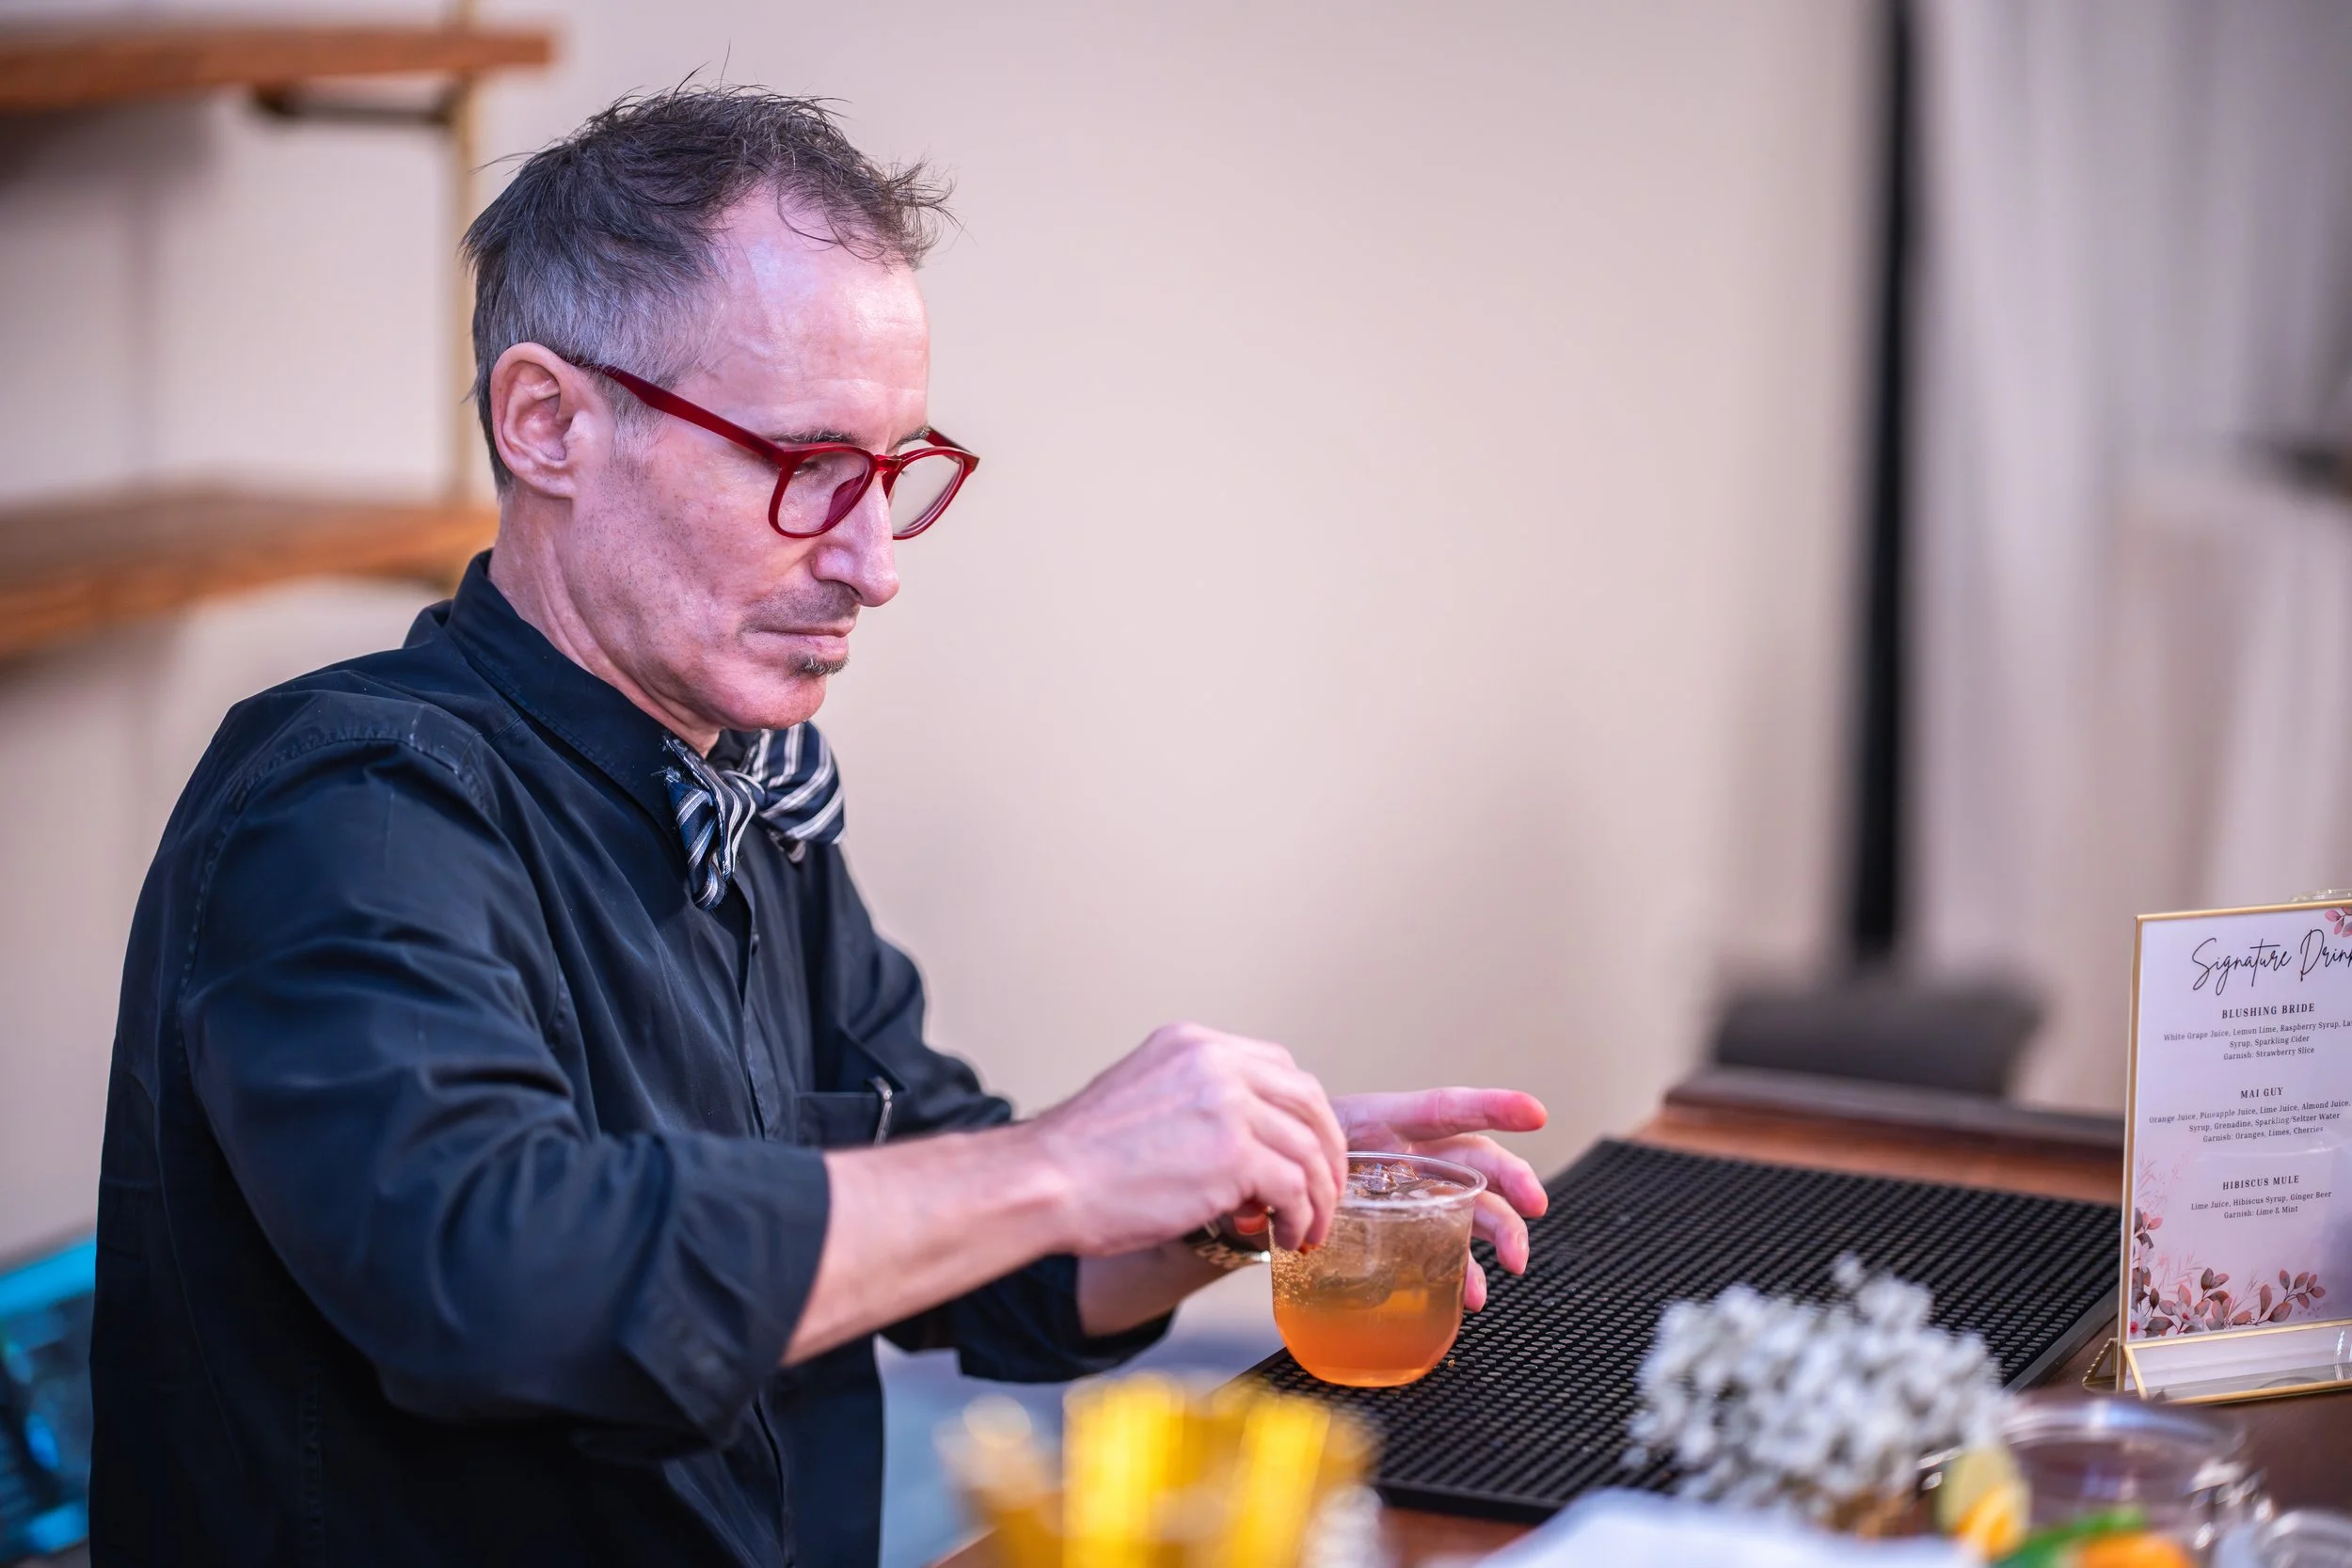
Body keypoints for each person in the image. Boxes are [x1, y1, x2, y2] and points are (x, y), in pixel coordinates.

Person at [88, 88, 1549, 1568]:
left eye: (894, 474)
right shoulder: (353, 803)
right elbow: (493, 1283)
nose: (871, 564)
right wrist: (1063, 1163)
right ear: (548, 424)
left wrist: (1218, 1196)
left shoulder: (740, 788)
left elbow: (977, 1256)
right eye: (804, 467)